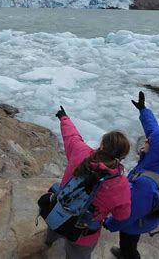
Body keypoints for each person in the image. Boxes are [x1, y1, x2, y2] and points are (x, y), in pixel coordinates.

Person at [104, 91, 159, 259]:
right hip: (148, 214)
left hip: (138, 222)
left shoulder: (146, 184)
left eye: (149, 141)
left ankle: (128, 254)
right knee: (130, 242)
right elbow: (153, 130)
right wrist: (143, 110)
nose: (145, 140)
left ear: (154, 149)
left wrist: (111, 224)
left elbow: (130, 213)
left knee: (128, 243)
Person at [47, 106, 132, 259]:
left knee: (54, 227)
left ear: (102, 145)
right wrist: (109, 222)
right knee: (78, 254)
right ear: (122, 157)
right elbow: (122, 215)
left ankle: (48, 242)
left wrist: (64, 118)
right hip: (84, 232)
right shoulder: (121, 184)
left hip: (59, 212)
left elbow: (71, 136)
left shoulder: (80, 152)